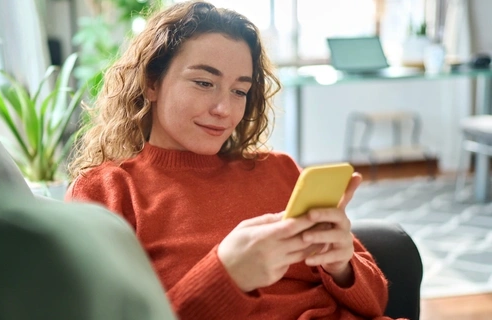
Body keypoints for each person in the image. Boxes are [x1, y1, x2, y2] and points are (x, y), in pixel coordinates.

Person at [66, 1, 394, 319]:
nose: (224, 109)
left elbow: (376, 303)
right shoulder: (106, 192)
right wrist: (226, 275)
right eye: (204, 83)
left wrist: (341, 267)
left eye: (239, 91)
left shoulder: (279, 169)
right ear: (152, 82)